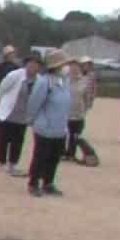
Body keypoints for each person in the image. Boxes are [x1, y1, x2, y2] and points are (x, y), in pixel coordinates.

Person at [25, 50, 74, 197]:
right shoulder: (44, 82)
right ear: (57, 66)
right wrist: (31, 120)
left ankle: (48, 183)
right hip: (45, 127)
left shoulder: (65, 82)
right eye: (64, 64)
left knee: (54, 157)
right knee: (40, 156)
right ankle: (33, 183)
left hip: (60, 128)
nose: (67, 67)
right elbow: (34, 103)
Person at [0, 54, 41, 177]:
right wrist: (3, 102)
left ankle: (13, 163)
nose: (32, 66)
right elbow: (2, 89)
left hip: (23, 116)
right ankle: (2, 161)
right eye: (30, 63)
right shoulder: (15, 75)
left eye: (36, 64)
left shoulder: (39, 80)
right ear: (26, 64)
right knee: (3, 139)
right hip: (8, 112)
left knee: (18, 141)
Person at [65, 56, 96, 160]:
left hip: (78, 113)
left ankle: (71, 154)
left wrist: (86, 108)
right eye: (72, 66)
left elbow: (88, 96)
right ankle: (61, 153)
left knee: (75, 135)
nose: (74, 69)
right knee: (62, 135)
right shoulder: (63, 80)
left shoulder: (85, 80)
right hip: (64, 113)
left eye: (76, 67)